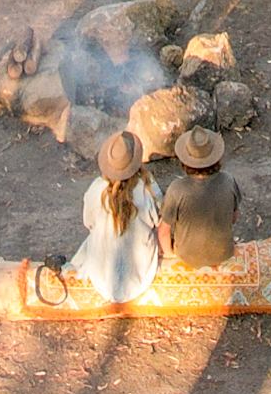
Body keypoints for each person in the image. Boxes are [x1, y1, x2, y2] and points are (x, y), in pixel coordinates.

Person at [63, 129, 160, 304]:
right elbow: (158, 220)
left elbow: (89, 223)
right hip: (140, 277)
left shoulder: (95, 189)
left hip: (101, 277)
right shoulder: (147, 188)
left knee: (96, 236)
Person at [158, 124, 240, 271]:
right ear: (216, 159)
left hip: (186, 256)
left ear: (185, 161)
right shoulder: (229, 180)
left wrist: (170, 254)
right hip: (223, 253)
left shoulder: (176, 189)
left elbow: (163, 232)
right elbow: (234, 217)